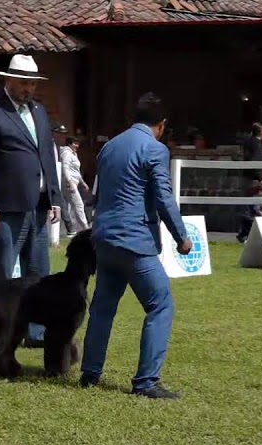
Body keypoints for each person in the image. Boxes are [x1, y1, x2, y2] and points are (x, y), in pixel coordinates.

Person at [81, 93, 191, 400]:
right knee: (161, 305)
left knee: (102, 308)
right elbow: (163, 198)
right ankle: (146, 382)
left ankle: (90, 373)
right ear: (161, 125)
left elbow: (97, 194)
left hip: (104, 238)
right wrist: (181, 236)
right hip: (136, 240)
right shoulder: (155, 149)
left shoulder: (109, 147)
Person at [0, 54, 61, 347]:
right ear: (7, 80)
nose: (28, 88)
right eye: (23, 82)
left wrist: (55, 197)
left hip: (38, 206)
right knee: (1, 273)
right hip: (5, 208)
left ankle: (35, 334)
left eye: (31, 83)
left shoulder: (40, 112)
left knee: (38, 275)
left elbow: (47, 155)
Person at [236, 122, 262, 243]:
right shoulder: (257, 145)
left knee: (248, 206)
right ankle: (247, 235)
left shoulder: (247, 143)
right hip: (253, 178)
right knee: (254, 208)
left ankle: (244, 234)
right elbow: (255, 162)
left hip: (246, 176)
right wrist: (260, 178)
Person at [59, 134, 90, 233]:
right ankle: (85, 228)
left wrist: (83, 183)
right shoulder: (67, 153)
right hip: (69, 183)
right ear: (69, 144)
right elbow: (65, 168)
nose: (77, 145)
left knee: (70, 207)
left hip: (75, 182)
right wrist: (69, 181)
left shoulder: (74, 154)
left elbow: (76, 171)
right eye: (75, 143)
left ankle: (71, 228)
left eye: (78, 144)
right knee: (78, 204)